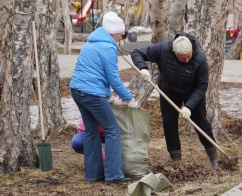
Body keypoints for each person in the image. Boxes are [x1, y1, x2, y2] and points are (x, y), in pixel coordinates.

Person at [130, 33, 220, 170]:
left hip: (193, 92)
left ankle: (214, 159)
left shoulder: (200, 59)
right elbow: (137, 53)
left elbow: (202, 86)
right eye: (182, 58)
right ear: (173, 52)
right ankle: (176, 161)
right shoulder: (163, 49)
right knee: (169, 124)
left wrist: (189, 107)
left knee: (201, 123)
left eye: (189, 56)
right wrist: (143, 68)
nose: (187, 60)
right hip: (169, 91)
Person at [70, 12, 137, 184]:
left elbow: (99, 75)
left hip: (77, 90)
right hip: (92, 93)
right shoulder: (108, 47)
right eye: (121, 33)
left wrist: (108, 96)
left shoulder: (91, 43)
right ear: (113, 32)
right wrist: (128, 98)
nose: (122, 36)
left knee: (91, 130)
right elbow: (113, 78)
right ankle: (114, 175)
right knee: (112, 129)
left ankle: (93, 174)